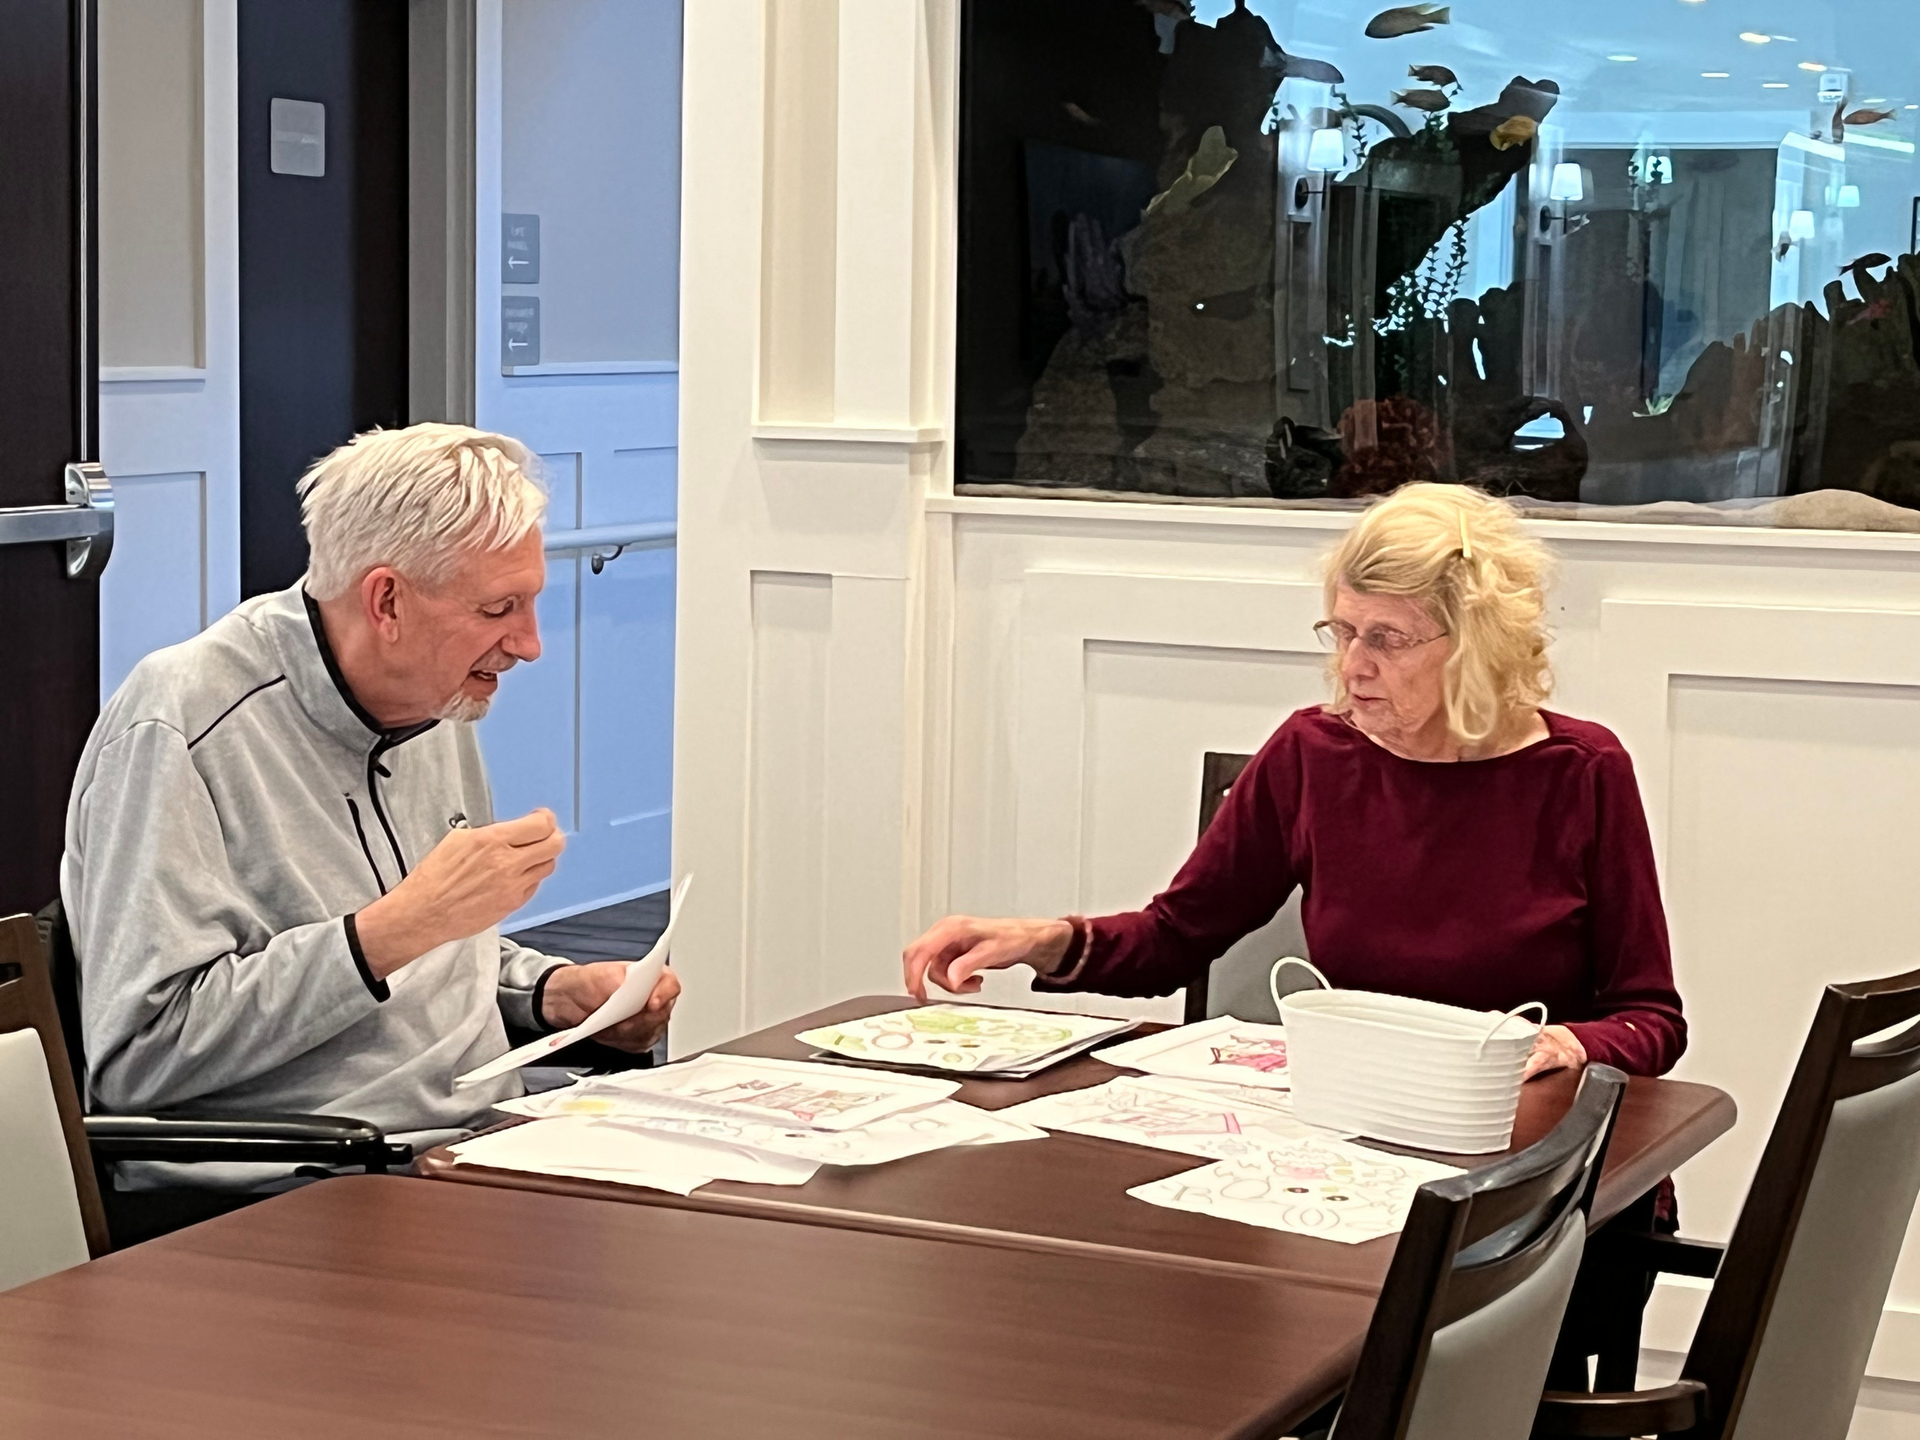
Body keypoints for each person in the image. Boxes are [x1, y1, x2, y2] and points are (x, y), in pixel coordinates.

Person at [62, 423, 680, 1187]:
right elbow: (142, 1060)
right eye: (498, 610)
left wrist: (549, 994)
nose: (529, 644)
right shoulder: (181, 724)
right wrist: (391, 928)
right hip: (308, 1184)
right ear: (386, 599)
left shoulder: (434, 700)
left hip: (482, 1138)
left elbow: (423, 956)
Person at [903, 482, 1684, 1082]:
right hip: (1363, 1139)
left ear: (1476, 645)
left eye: (1387, 639)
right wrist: (1040, 942)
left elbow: (1650, 1018)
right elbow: (1175, 940)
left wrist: (1565, 1044)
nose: (1353, 666)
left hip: (1537, 1165)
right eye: (1343, 632)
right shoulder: (1314, 753)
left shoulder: (1581, 774)